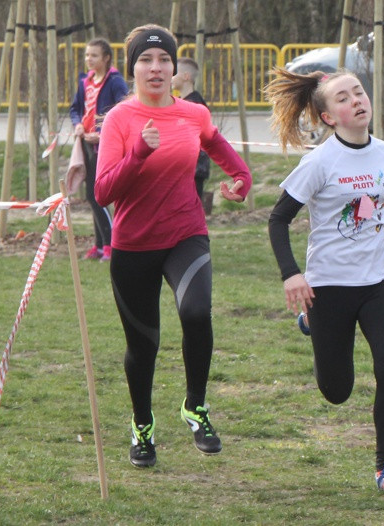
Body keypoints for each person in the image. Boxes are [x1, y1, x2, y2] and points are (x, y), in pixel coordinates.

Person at [265, 67, 384, 496]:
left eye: (359, 92)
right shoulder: (320, 162)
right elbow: (278, 220)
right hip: (328, 287)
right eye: (343, 98)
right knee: (337, 391)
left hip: (377, 282)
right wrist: (291, 274)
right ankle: (311, 321)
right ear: (328, 117)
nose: (356, 100)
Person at [95, 24, 252, 468]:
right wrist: (138, 153)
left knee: (197, 312)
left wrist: (241, 178)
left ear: (174, 68)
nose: (156, 68)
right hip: (134, 244)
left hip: (186, 232)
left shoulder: (193, 114)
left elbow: (219, 147)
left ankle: (195, 407)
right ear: (133, 69)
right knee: (143, 346)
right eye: (146, 60)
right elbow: (103, 191)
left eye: (164, 59)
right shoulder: (120, 120)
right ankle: (142, 425)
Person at [69, 37, 129, 261]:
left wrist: (103, 134)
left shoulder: (115, 82)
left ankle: (111, 244)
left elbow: (124, 110)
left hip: (103, 145)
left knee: (97, 195)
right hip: (85, 143)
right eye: (87, 55)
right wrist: (77, 124)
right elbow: (75, 108)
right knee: (91, 195)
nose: (89, 59)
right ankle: (100, 245)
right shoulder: (85, 81)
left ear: (106, 58)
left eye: (94, 55)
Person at [171, 57, 211, 200]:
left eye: (174, 73)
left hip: (193, 169)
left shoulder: (194, 105)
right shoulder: (183, 102)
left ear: (186, 76)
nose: (170, 76)